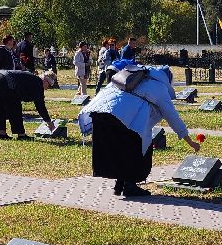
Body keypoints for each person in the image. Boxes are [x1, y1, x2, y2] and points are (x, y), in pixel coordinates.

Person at [79, 63, 200, 197]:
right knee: (136, 150)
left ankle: (120, 184)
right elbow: (172, 116)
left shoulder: (135, 75)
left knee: (119, 150)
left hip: (100, 113)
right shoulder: (158, 86)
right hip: (122, 118)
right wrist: (190, 141)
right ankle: (130, 185)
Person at [0, 66, 53, 138]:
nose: (48, 88)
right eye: (49, 85)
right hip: (6, 80)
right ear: (45, 80)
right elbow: (40, 106)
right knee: (15, 107)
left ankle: (1, 133)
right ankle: (21, 134)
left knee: (0, 106)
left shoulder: (32, 78)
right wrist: (49, 122)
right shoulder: (38, 83)